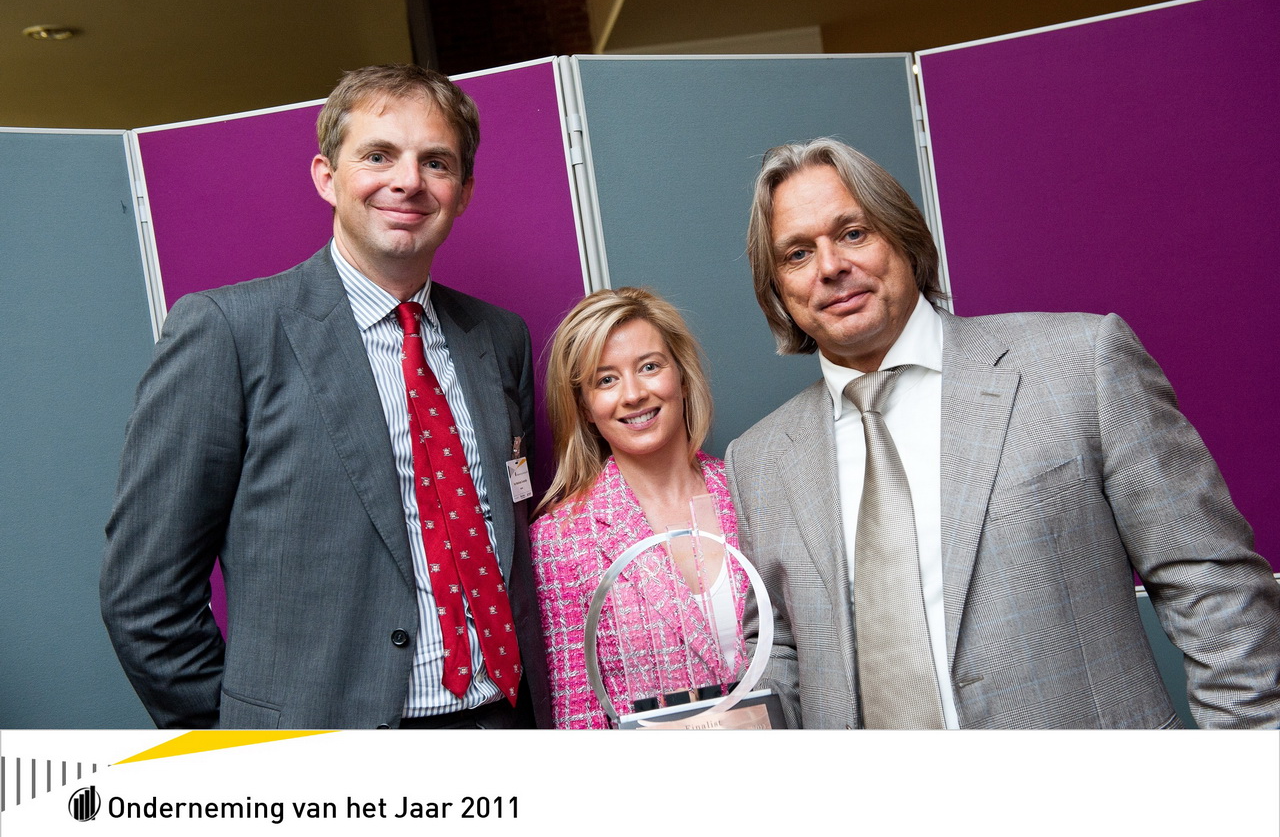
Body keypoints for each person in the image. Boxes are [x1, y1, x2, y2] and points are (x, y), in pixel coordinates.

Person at [726, 137, 1280, 729]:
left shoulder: (1081, 364)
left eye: (854, 232)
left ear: (904, 237)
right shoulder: (758, 460)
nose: (831, 266)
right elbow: (780, 654)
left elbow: (1212, 588)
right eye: (797, 254)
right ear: (776, 289)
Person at [100, 64, 550, 729]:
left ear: (463, 192)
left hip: (502, 725)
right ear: (326, 176)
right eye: (378, 156)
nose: (408, 181)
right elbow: (145, 595)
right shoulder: (230, 333)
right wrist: (240, 749)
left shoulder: (498, 337)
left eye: (436, 162)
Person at [531, 288, 747, 729]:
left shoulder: (751, 489)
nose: (632, 394)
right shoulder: (561, 539)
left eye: (649, 366)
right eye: (605, 380)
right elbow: (579, 718)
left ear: (681, 376)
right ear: (585, 407)